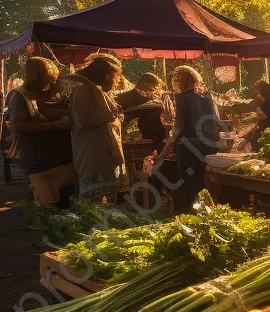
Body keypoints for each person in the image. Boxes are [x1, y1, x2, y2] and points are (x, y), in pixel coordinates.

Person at [6, 56, 75, 205]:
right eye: (45, 77)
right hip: (39, 157)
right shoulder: (20, 95)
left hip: (63, 156)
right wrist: (55, 125)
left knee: (67, 199)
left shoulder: (54, 93)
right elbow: (18, 125)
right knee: (48, 200)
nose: (48, 81)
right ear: (35, 76)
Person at [156, 65, 224, 208]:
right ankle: (205, 206)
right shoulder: (207, 96)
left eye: (179, 81)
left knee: (188, 178)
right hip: (208, 143)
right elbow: (217, 120)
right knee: (203, 176)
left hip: (188, 144)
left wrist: (170, 142)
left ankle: (190, 206)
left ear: (182, 82)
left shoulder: (182, 97)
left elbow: (179, 123)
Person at [68, 54, 126, 204]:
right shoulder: (83, 90)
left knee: (108, 195)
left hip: (104, 151)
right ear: (106, 76)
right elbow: (82, 120)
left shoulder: (97, 91)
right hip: (92, 150)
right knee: (93, 199)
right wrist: (107, 117)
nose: (116, 81)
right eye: (115, 76)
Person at [118, 72, 167, 147]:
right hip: (135, 138)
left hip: (156, 138)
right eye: (153, 87)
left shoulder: (153, 98)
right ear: (145, 84)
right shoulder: (124, 97)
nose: (154, 89)